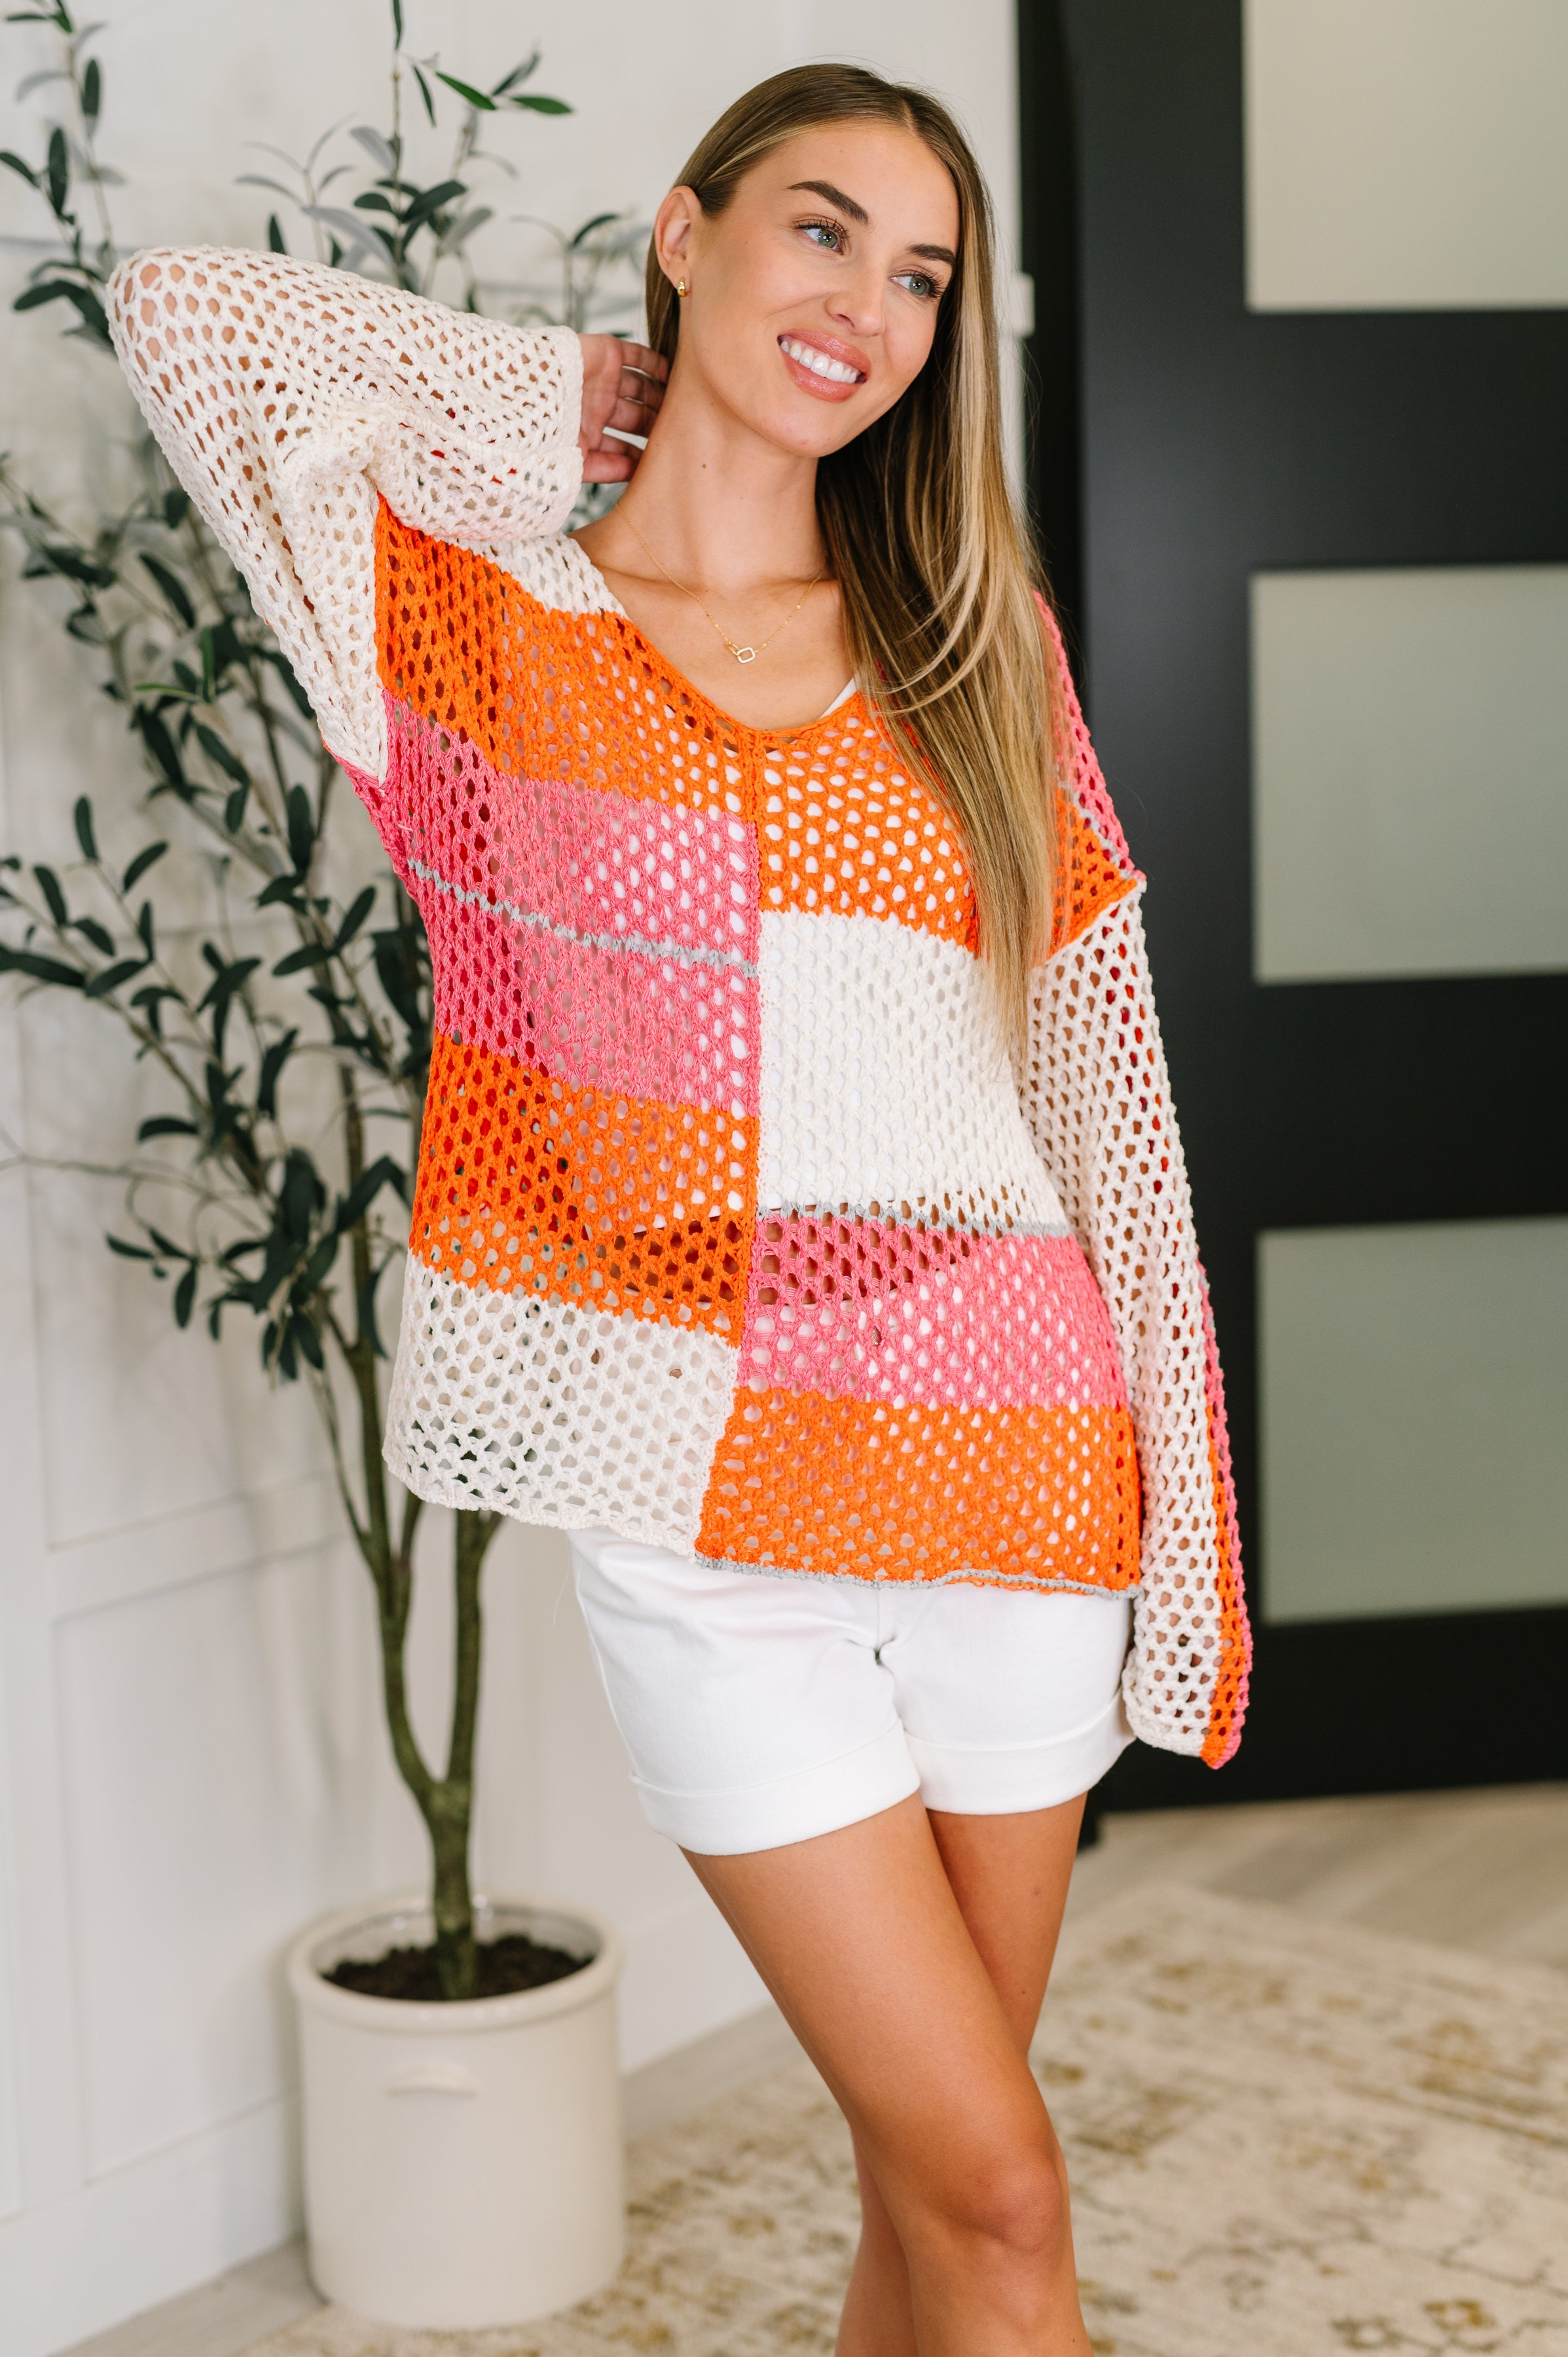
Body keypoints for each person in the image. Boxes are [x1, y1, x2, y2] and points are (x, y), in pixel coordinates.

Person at [110, 61, 1250, 2355]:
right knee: (1003, 2193)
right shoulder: (463, 627)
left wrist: (1184, 1512)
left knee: (940, 2191)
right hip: (707, 1510)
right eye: (816, 229)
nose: (865, 308)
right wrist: (571, 394)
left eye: (917, 276)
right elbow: (186, 322)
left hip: (1017, 1464)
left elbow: (1100, 1098)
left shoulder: (972, 644)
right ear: (684, 228)